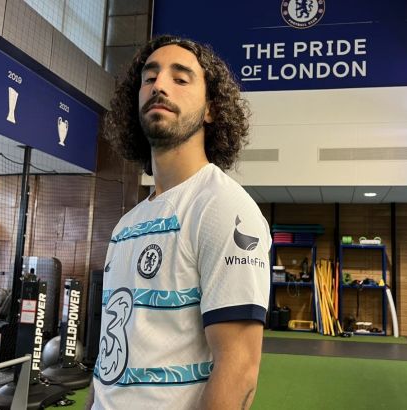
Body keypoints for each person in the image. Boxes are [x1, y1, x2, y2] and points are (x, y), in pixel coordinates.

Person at [85, 35, 271, 410]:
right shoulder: (126, 225)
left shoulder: (223, 207)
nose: (160, 86)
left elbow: (239, 370)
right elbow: (109, 354)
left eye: (180, 78)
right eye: (149, 77)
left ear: (211, 109)